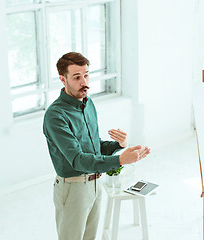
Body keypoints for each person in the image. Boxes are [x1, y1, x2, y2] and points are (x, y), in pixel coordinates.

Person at [43, 52, 150, 240]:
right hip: (73, 188)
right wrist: (119, 160)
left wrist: (119, 144)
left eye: (86, 74)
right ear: (63, 79)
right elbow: (77, 159)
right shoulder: (55, 116)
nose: (84, 81)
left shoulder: (88, 103)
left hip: (95, 185)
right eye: (77, 77)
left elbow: (94, 147)